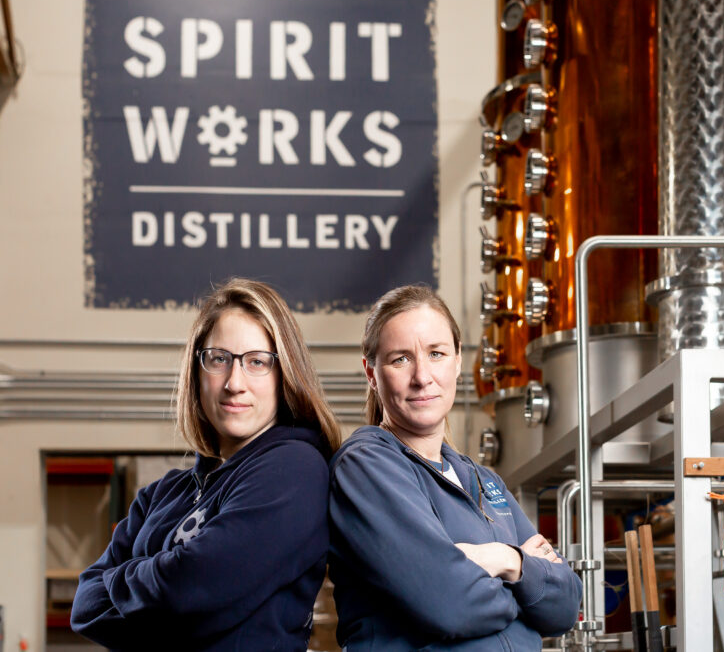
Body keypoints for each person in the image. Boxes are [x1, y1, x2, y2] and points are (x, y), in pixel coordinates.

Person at [71, 278, 342, 651]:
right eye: (219, 359)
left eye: (257, 362)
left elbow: (192, 589)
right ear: (196, 370)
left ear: (285, 376)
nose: (234, 383)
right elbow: (85, 604)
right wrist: (169, 588)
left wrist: (125, 580)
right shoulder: (164, 493)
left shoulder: (295, 470)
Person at [328, 285, 583, 650]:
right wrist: (526, 584)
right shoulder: (366, 466)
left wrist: (504, 559)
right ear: (371, 372)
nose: (422, 377)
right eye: (400, 359)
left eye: (436, 354)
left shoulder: (482, 480)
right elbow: (447, 602)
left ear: (459, 359)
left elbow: (564, 608)